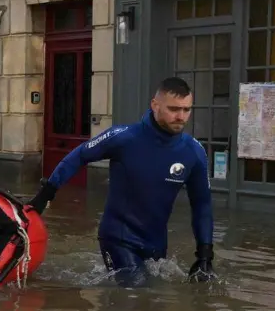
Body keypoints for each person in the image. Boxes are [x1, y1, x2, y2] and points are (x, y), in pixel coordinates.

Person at [26, 77, 217, 284]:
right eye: (174, 109)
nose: (181, 116)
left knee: (154, 300)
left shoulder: (194, 152)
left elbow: (202, 204)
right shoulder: (124, 137)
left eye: (186, 110)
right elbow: (80, 155)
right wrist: (46, 193)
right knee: (135, 292)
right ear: (155, 105)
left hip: (156, 243)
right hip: (118, 237)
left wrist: (205, 254)